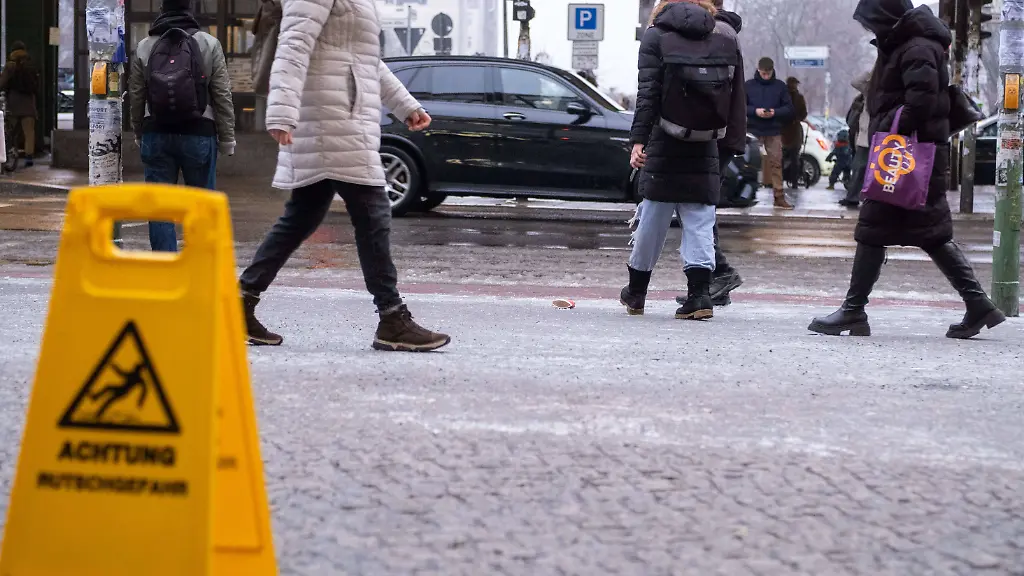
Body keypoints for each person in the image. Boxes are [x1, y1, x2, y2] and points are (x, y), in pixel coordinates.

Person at [240, 0, 450, 352]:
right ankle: (392, 317)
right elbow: (293, 44)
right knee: (373, 213)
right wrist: (280, 112)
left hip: (342, 115)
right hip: (331, 117)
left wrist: (405, 104)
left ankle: (240, 301)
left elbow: (364, 62)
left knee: (301, 217)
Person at [809, 0, 1005, 339]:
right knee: (928, 232)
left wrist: (888, 128)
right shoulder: (909, 43)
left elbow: (922, 101)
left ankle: (854, 310)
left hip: (905, 155)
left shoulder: (916, 46)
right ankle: (978, 304)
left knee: (878, 229)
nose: (869, 29)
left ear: (885, 16)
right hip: (913, 154)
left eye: (871, 22)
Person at [621, 0, 745, 319]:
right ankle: (700, 297)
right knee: (700, 220)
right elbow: (735, 96)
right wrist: (731, 141)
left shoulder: (656, 37)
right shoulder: (723, 36)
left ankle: (636, 293)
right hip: (707, 141)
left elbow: (647, 94)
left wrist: (638, 140)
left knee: (653, 217)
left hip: (664, 140)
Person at [129, 0, 236, 252]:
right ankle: (198, 268)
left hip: (156, 133)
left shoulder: (145, 46)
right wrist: (227, 138)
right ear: (190, 11)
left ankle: (164, 274)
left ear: (161, 11)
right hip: (199, 134)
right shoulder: (209, 44)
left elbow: (136, 95)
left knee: (160, 207)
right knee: (201, 205)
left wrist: (138, 131)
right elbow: (222, 94)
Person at [746, 57, 795, 209]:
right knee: (748, 163)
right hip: (753, 129)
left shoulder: (780, 87)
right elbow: (740, 106)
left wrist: (773, 112)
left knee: (776, 163)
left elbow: (789, 109)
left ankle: (778, 196)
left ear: (772, 70)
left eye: (768, 73)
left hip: (772, 130)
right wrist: (755, 111)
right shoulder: (748, 86)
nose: (765, 76)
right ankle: (746, 193)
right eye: (763, 73)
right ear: (758, 70)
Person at [0, 41, 39, 167]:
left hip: (13, 101)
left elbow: (2, 83)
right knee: (29, 132)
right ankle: (29, 158)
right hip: (29, 102)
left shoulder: (10, 66)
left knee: (10, 131)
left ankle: (10, 152)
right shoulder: (31, 64)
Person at [841, 70, 872, 207]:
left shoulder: (889, 90)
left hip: (881, 132)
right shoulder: (870, 90)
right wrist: (873, 72)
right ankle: (853, 196)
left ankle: (864, 197)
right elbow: (855, 82)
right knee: (859, 166)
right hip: (866, 133)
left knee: (872, 167)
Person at [781, 77, 808, 187]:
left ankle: (794, 181)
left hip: (794, 131)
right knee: (782, 158)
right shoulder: (783, 97)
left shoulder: (798, 97)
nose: (794, 86)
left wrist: (797, 119)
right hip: (784, 131)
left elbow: (804, 113)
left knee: (794, 158)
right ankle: (782, 179)